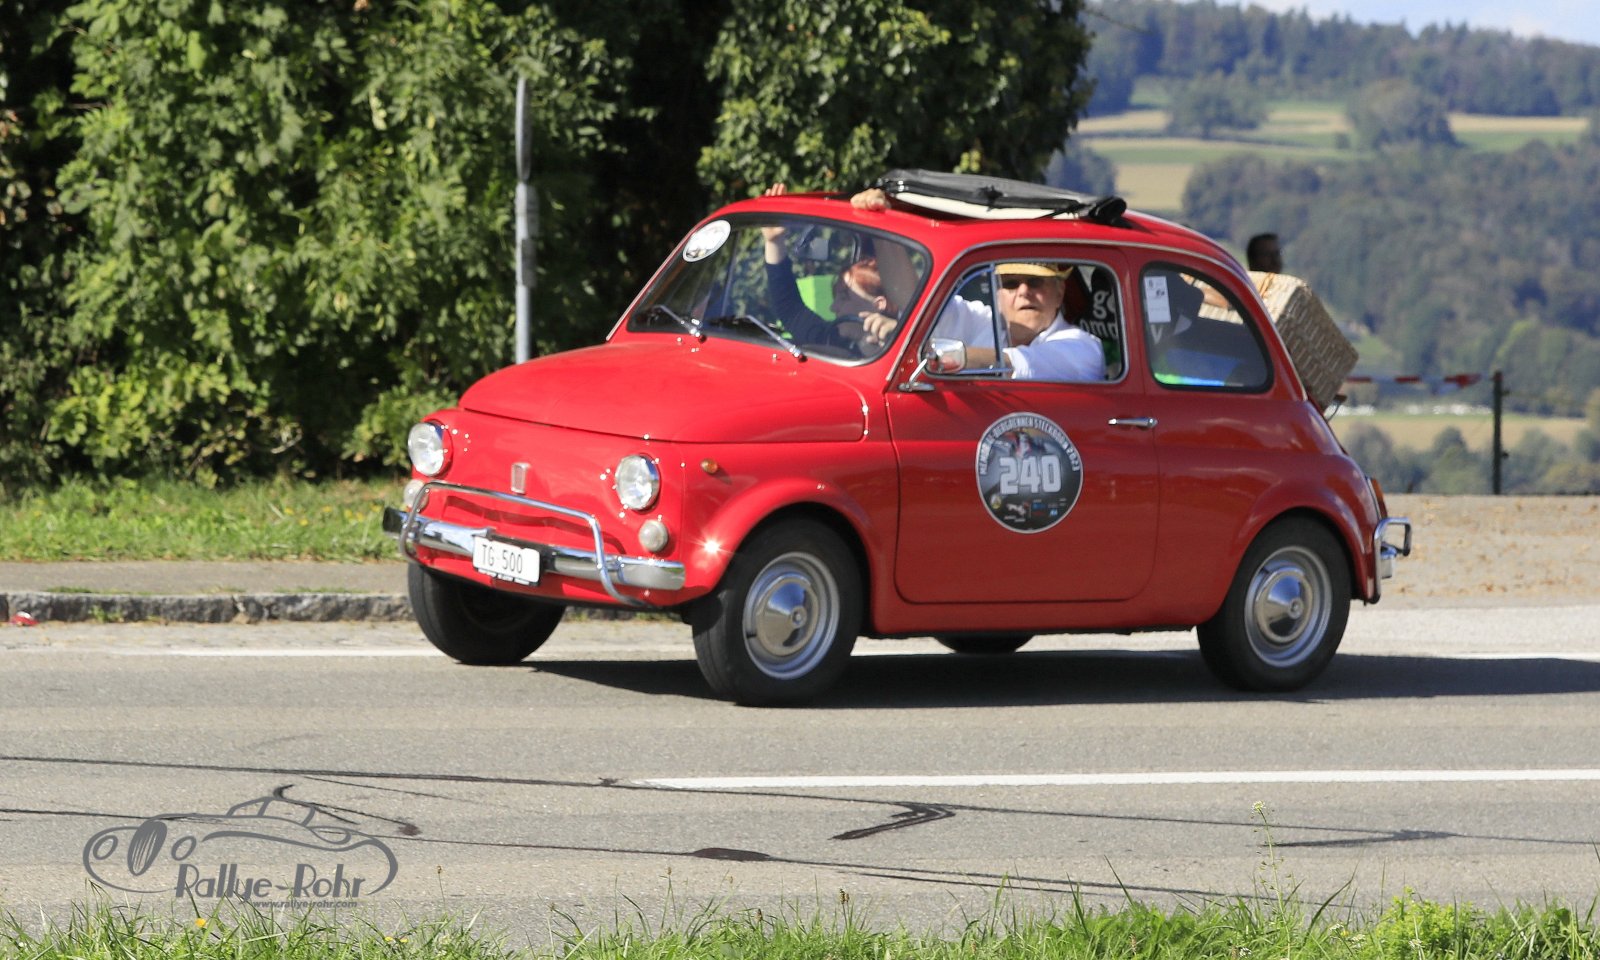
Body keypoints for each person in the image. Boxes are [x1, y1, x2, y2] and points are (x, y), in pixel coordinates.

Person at [849, 187, 1105, 381]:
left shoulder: (1083, 348)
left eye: (1035, 283)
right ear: (997, 293)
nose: (1023, 292)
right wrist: (879, 221)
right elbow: (912, 299)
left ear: (1059, 293)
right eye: (1011, 284)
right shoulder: (982, 321)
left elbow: (1017, 363)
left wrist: (925, 351)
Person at [759, 183, 900, 350]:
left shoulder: (906, 350)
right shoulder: (830, 339)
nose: (833, 308)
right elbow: (790, 309)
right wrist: (774, 241)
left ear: (879, 304)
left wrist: (896, 336)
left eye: (844, 297)